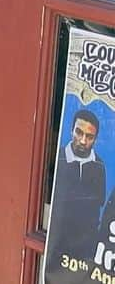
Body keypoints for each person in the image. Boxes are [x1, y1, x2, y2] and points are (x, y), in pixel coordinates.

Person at [48, 107, 106, 263]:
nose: (83, 141)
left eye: (89, 136)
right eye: (79, 132)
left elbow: (98, 204)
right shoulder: (58, 157)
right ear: (71, 130)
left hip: (85, 250)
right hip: (57, 243)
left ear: (95, 139)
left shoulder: (99, 165)